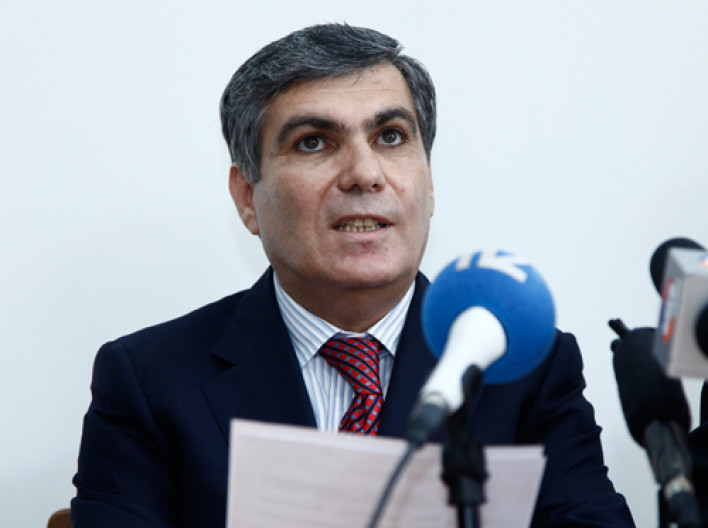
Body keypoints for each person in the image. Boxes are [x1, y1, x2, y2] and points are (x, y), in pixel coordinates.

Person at [71, 23, 636, 527]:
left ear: (428, 180)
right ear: (247, 197)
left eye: (390, 136)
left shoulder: (523, 367)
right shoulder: (150, 381)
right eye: (313, 142)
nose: (365, 173)